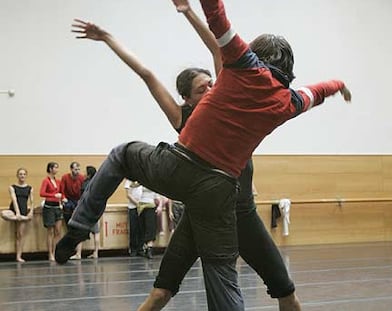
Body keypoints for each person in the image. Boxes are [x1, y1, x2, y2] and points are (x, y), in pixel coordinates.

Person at [58, 0, 351, 310]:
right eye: (203, 87)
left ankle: (80, 226)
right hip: (217, 194)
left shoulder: (239, 69)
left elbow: (218, 20)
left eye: (212, 82)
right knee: (217, 276)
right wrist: (338, 85)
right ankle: (79, 228)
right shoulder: (282, 99)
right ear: (187, 97)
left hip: (199, 187)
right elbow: (312, 93)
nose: (212, 86)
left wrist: (187, 10)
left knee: (124, 156)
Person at [1, 168, 34, 262]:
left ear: (26, 175)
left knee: (20, 234)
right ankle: (24, 218)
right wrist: (18, 213)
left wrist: (31, 211)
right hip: (14, 210)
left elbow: (31, 201)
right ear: (17, 175)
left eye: (24, 174)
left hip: (23, 210)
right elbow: (14, 200)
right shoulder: (12, 187)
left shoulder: (30, 188)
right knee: (3, 214)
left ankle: (18, 256)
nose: (22, 176)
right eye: (20, 174)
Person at [40, 162, 64, 262]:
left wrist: (63, 198)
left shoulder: (58, 181)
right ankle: (50, 253)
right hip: (49, 207)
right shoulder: (46, 181)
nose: (56, 169)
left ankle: (56, 252)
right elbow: (42, 193)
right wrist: (53, 196)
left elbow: (61, 193)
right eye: (55, 167)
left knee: (58, 231)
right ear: (50, 169)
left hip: (57, 206)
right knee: (50, 231)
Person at [61, 161, 85, 259]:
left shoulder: (81, 178)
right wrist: (63, 198)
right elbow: (62, 190)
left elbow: (84, 190)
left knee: (78, 227)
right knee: (70, 227)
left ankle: (78, 252)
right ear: (71, 169)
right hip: (68, 200)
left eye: (78, 169)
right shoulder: (65, 177)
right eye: (75, 169)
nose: (77, 171)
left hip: (78, 200)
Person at [136, 185, 160, 259]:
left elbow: (157, 196)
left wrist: (159, 205)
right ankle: (146, 248)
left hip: (150, 206)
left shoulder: (152, 181)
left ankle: (149, 248)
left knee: (150, 228)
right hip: (141, 206)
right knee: (143, 227)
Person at [81, 165, 100, 259]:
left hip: (86, 209)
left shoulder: (85, 184)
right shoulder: (98, 183)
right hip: (96, 209)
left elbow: (82, 197)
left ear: (88, 174)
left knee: (79, 231)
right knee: (96, 232)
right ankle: (96, 252)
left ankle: (78, 253)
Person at [125, 179, 143, 257]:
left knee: (141, 228)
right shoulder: (128, 181)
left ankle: (140, 248)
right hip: (133, 207)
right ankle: (133, 249)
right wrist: (137, 203)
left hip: (142, 207)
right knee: (133, 229)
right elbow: (128, 195)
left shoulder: (142, 180)